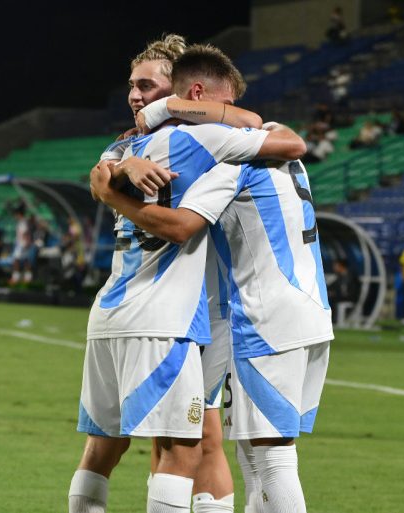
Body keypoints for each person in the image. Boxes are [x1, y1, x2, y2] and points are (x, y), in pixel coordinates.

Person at [72, 44, 306, 513]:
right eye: (132, 87)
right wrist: (166, 118)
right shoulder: (205, 140)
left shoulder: (121, 147)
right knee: (185, 448)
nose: (135, 97)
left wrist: (122, 168)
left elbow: (101, 175)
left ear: (180, 90)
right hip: (172, 316)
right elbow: (274, 134)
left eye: (147, 87)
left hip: (117, 310)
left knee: (113, 447)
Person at [328, 259, 359, 325]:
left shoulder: (351, 276)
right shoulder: (340, 276)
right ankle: (332, 319)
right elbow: (331, 286)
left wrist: (335, 293)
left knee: (332, 298)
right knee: (330, 297)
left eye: (336, 266)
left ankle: (334, 320)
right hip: (341, 297)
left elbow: (351, 292)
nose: (334, 267)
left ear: (341, 266)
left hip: (350, 298)